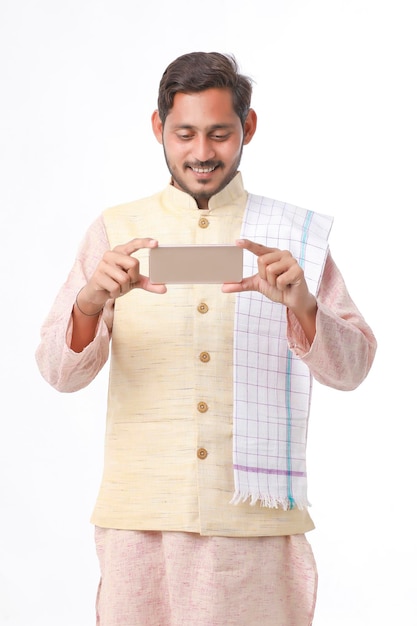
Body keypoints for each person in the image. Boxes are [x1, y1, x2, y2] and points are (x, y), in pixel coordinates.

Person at [36, 51, 377, 626]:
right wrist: (90, 303)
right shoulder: (116, 232)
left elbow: (352, 370)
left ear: (247, 128)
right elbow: (58, 374)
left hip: (254, 525)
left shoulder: (292, 238)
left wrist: (303, 305)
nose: (201, 152)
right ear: (158, 128)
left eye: (219, 134)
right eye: (185, 133)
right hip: (140, 518)